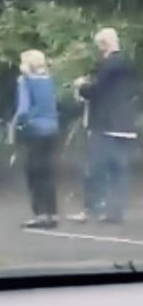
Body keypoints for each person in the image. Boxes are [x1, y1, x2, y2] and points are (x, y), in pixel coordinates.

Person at [69, 28, 139, 224]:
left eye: (99, 46)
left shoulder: (107, 65)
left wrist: (81, 86)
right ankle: (115, 212)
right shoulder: (128, 64)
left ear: (105, 44)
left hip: (105, 124)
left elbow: (97, 92)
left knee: (95, 168)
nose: (98, 50)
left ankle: (90, 209)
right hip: (126, 124)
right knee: (119, 169)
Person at [9, 50, 60, 229]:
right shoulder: (48, 80)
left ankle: (40, 214)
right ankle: (52, 213)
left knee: (34, 173)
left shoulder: (25, 81)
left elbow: (23, 109)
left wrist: (18, 125)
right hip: (52, 129)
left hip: (35, 131)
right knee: (47, 171)